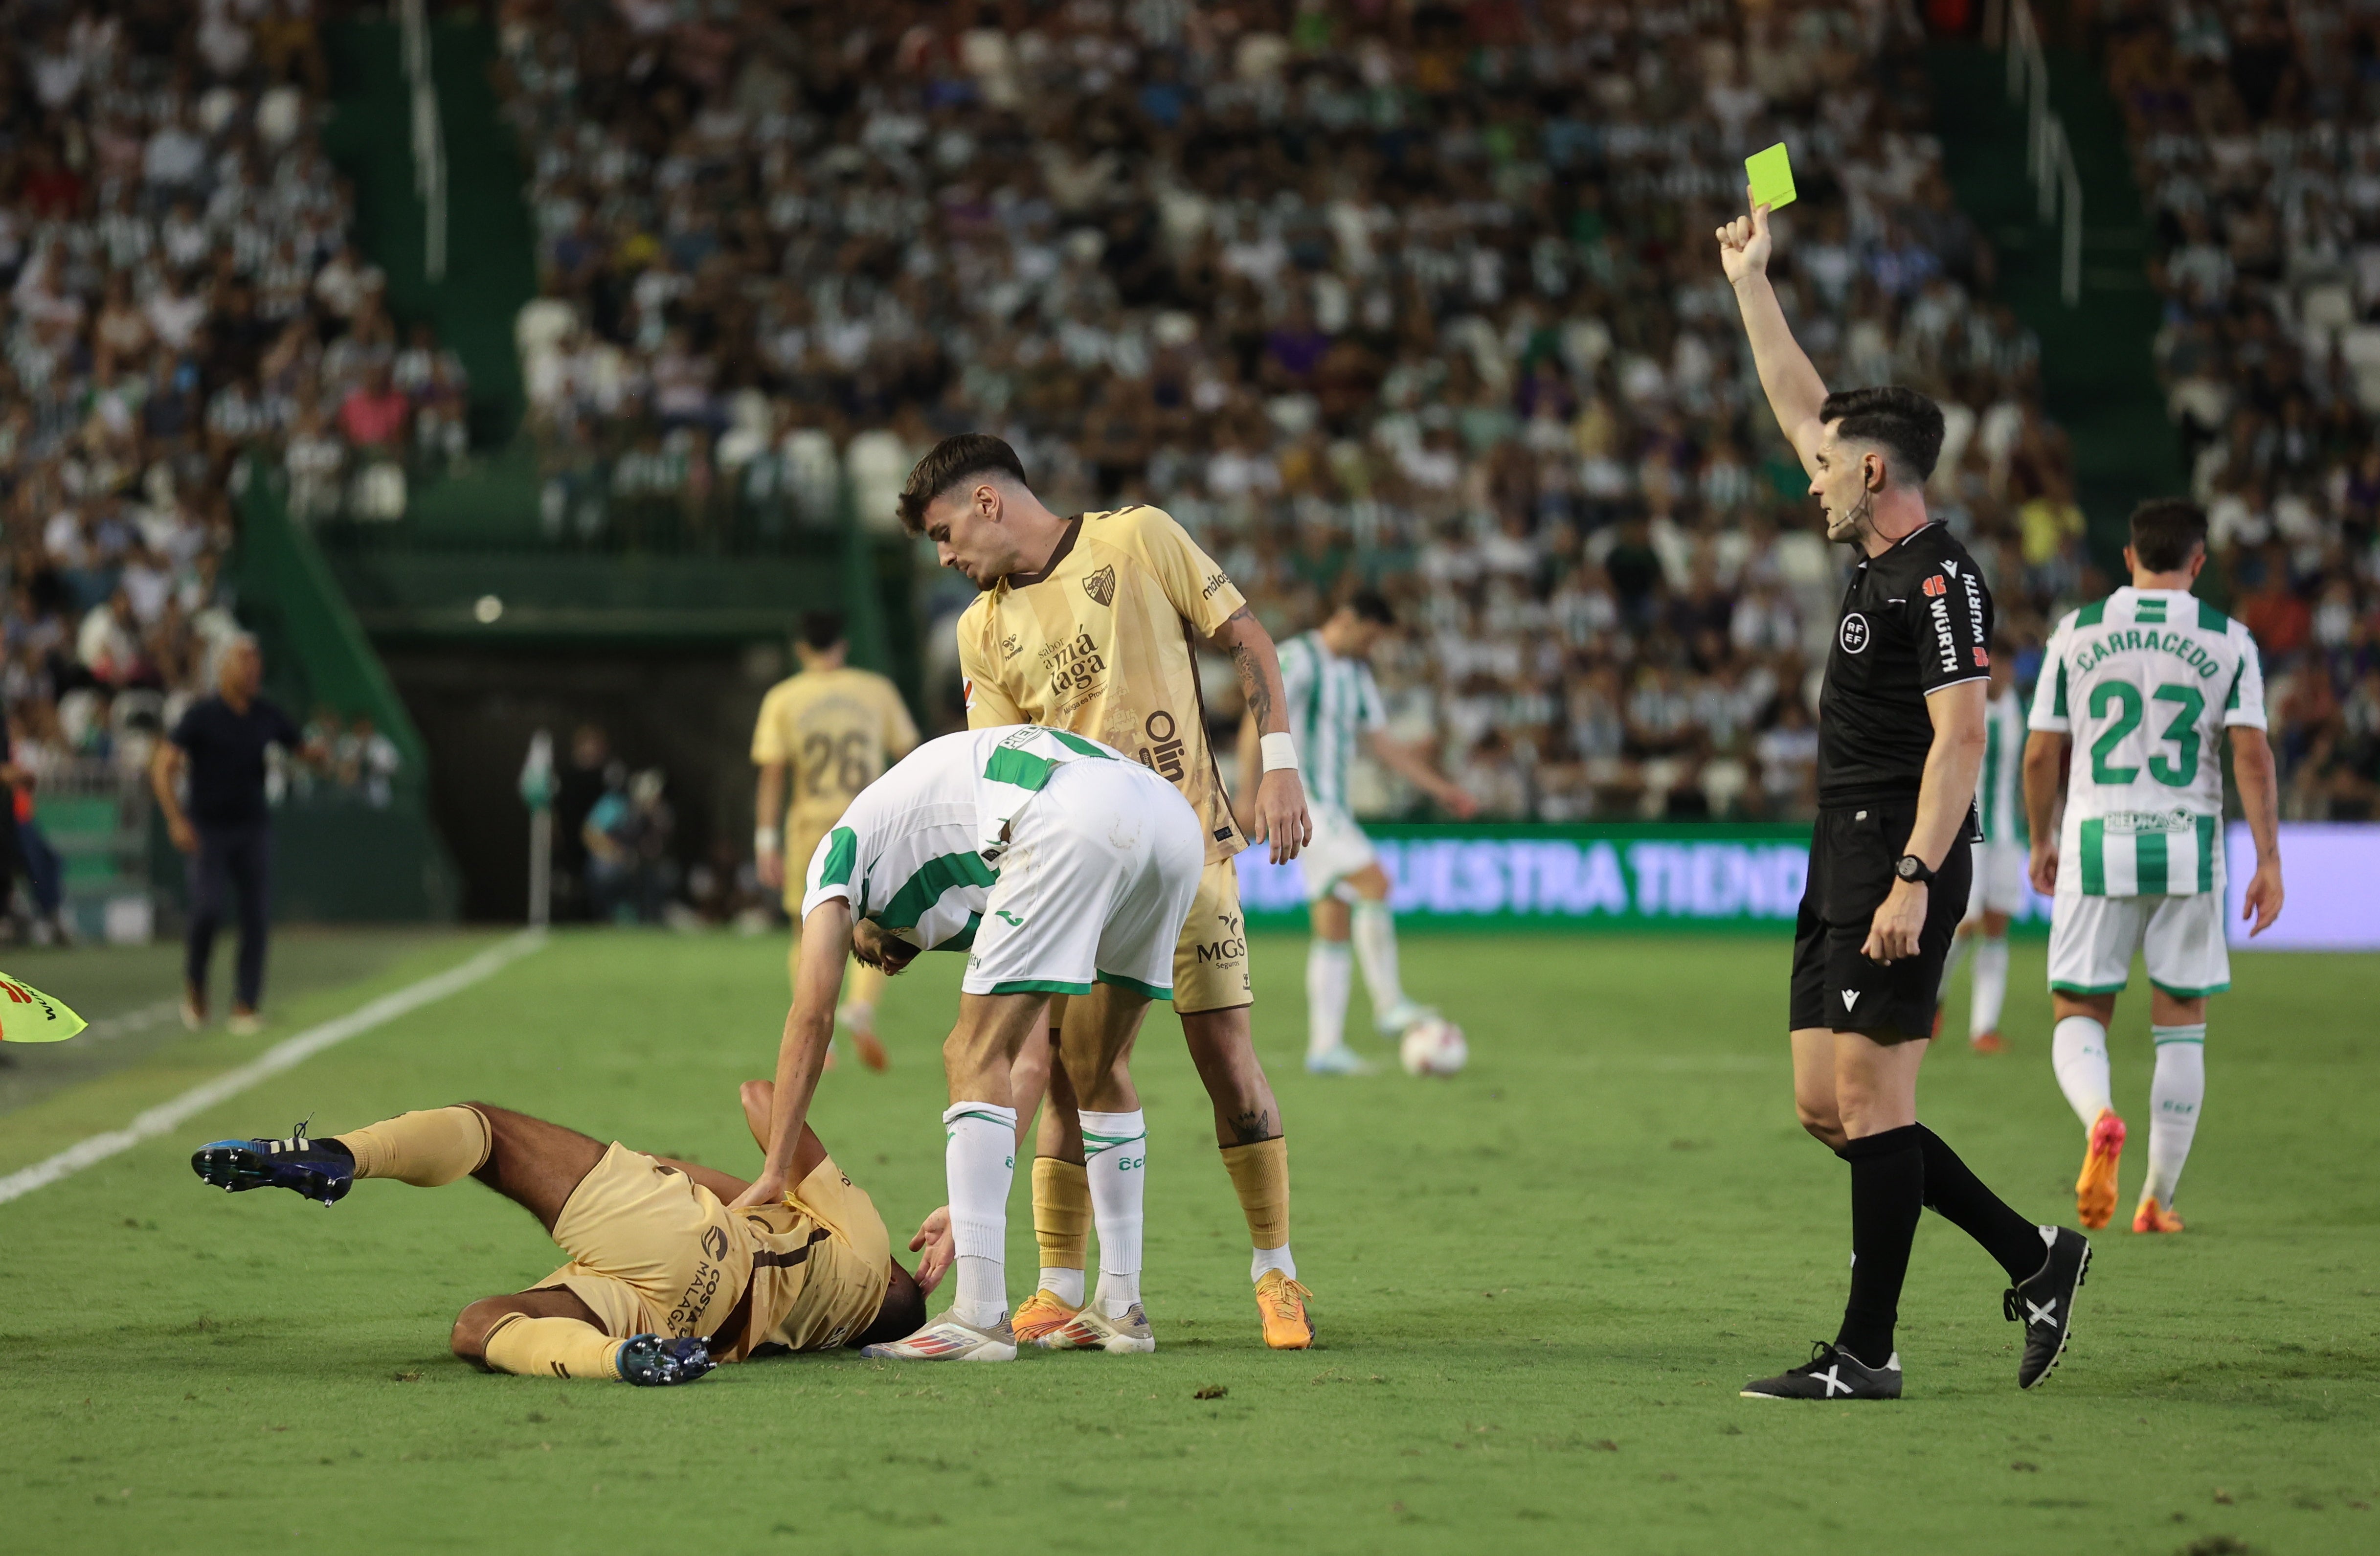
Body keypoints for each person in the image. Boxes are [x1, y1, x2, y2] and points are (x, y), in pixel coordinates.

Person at [1717, 190, 2089, 1401]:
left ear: (1872, 470)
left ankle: (1866, 1352)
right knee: (1826, 1107)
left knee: (1874, 1103)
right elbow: (1797, 405)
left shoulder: (1939, 581)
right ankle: (2036, 1256)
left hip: (1897, 852)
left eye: (1828, 466)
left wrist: (1918, 878)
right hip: (1842, 847)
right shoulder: (1875, 546)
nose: (1809, 477)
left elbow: (1962, 739)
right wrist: (1751, 283)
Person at [902, 433, 1321, 1352]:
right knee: (1063, 1067)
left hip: (1191, 852)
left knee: (1227, 1062)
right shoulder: (981, 630)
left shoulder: (1136, 539)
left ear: (985, 503)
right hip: (1081, 877)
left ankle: (1276, 1271)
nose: (944, 558)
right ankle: (1060, 1287)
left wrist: (1281, 765)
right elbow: (1002, 775)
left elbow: (1246, 636)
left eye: (943, 533)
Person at [737, 724, 1206, 1360]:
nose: (884, 963)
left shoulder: (839, 854)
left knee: (968, 1050)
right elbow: (1030, 1062)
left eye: (865, 954)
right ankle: (1122, 1309)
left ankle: (980, 1316)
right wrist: (970, 1206)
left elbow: (812, 1014)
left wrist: (775, 1170)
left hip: (1075, 814)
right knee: (1098, 1065)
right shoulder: (974, 873)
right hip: (1169, 825)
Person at [188, 1087, 935, 1384]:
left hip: (696, 1240)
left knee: (487, 1132)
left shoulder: (867, 1248)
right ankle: (621, 1361)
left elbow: (762, 1100)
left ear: (896, 1280)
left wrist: (779, 1180)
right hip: (687, 1322)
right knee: (480, 1326)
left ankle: (340, 1156)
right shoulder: (833, 1326)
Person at [2021, 498, 2284, 1236]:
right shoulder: (2228, 640)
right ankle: (2155, 1200)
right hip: (2188, 845)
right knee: (2181, 1022)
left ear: (2130, 558)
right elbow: (2252, 755)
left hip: (2095, 840)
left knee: (2079, 1010)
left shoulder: (2075, 632)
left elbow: (2040, 753)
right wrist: (2268, 859)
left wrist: (2040, 838)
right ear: (2198, 562)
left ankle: (2099, 1116)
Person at [1243, 590, 1480, 1074]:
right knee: (1376, 882)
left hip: (1333, 807)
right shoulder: (1298, 657)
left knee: (1333, 921)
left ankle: (1325, 1047)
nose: (1372, 648)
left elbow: (1382, 743)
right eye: (1370, 637)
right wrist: (1250, 794)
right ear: (1348, 619)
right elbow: (1257, 718)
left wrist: (1441, 788)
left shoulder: (1355, 674)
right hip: (1304, 801)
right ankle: (1389, 1003)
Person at [750, 609, 919, 1070]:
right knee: (880, 921)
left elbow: (772, 772)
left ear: (801, 648)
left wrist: (765, 840)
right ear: (842, 645)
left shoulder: (784, 698)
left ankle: (817, 1034)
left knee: (806, 930)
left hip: (811, 828)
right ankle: (861, 1006)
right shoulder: (876, 690)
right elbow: (909, 756)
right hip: (869, 823)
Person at [150, 634, 299, 1035]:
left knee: (256, 916)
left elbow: (301, 747)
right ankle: (196, 982)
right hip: (208, 829)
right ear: (223, 668)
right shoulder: (202, 715)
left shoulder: (266, 714)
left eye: (256, 659)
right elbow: (163, 765)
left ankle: (245, 1004)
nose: (253, 668)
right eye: (244, 659)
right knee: (208, 909)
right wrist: (176, 819)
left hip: (253, 827)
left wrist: (320, 756)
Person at [1936, 643, 2027, 1053]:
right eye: (1996, 665)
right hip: (1968, 830)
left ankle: (1984, 1028)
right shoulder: (1964, 704)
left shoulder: (2020, 707)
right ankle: (1932, 997)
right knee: (1965, 922)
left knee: (1995, 925)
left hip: (2007, 833)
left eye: (2007, 665)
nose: (2002, 673)